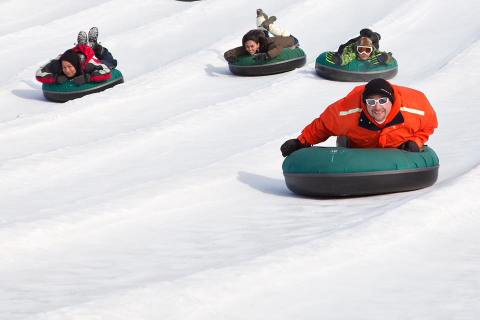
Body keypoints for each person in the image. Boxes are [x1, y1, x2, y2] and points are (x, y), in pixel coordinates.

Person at [280, 78, 438, 157]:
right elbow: (322, 126)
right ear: (364, 102)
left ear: (391, 100)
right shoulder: (346, 112)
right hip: (359, 148)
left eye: (383, 101)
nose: (377, 107)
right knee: (344, 134)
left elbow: (429, 125)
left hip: (398, 147)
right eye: (371, 102)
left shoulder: (416, 107)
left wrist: (416, 142)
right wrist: (300, 142)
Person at [36, 27, 117, 85]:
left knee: (110, 63)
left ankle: (95, 46)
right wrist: (56, 78)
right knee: (70, 57)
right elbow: (39, 73)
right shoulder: (58, 63)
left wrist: (87, 78)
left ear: (75, 65)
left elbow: (107, 72)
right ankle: (81, 46)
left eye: (70, 67)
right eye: (64, 67)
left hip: (86, 58)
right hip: (73, 54)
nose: (67, 70)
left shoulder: (88, 64)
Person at [224, 9, 300, 63]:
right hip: (269, 39)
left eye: (252, 46)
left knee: (282, 34)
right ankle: (261, 17)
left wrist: (267, 55)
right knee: (261, 33)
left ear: (258, 44)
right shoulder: (250, 46)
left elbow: (279, 48)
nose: (249, 49)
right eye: (247, 46)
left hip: (291, 40)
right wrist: (228, 56)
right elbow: (235, 51)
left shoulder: (268, 45)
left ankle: (269, 26)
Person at [327, 28, 393, 66]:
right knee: (343, 47)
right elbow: (348, 56)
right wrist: (340, 59)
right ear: (357, 49)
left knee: (374, 37)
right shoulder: (353, 50)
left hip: (373, 40)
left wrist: (385, 57)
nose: (364, 53)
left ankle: (376, 35)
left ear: (371, 50)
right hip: (356, 42)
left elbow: (388, 56)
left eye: (367, 50)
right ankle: (366, 35)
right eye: (361, 50)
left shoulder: (373, 51)